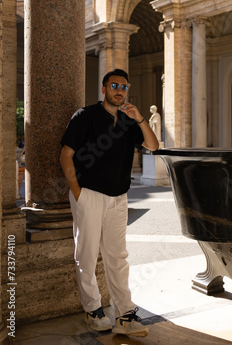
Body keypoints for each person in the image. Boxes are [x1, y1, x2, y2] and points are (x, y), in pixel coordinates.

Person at [60, 68, 159, 337]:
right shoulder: (85, 116)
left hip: (119, 197)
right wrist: (77, 192)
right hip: (89, 193)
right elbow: (66, 155)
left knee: (118, 256)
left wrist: (139, 119)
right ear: (103, 89)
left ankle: (125, 314)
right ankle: (93, 309)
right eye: (114, 85)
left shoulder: (129, 121)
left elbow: (153, 145)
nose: (119, 90)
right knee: (87, 254)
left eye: (124, 87)